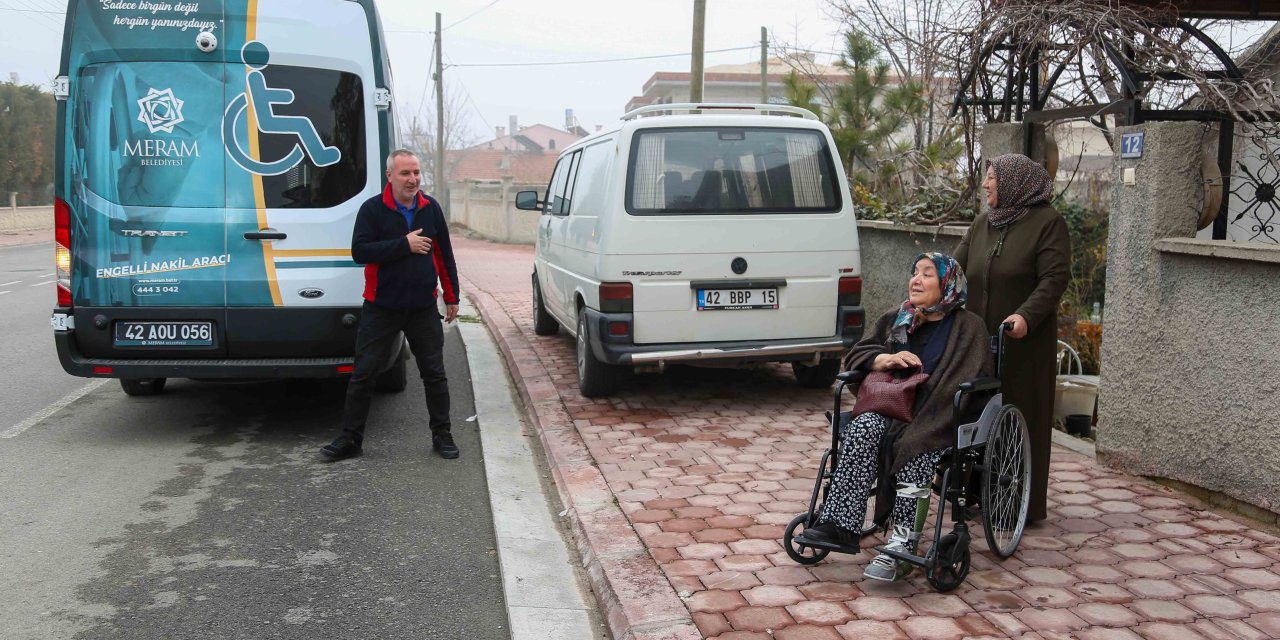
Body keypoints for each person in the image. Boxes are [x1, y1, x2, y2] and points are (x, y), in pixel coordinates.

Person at [804, 253, 993, 582]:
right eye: (914, 271)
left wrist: (926, 404)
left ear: (948, 284)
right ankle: (840, 525)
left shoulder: (969, 327)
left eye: (928, 274)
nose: (916, 280)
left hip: (938, 415)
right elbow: (858, 353)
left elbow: (972, 379)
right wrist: (883, 360)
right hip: (891, 409)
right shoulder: (899, 318)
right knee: (862, 428)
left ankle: (903, 543)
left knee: (916, 447)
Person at [321, 150, 461, 461]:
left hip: (423, 307)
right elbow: (360, 252)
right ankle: (350, 439)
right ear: (390, 176)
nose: (412, 179)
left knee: (435, 374)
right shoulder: (372, 210)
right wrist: (404, 245)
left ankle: (442, 434)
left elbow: (444, 255)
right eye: (405, 173)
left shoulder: (430, 209)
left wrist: (452, 296)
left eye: (416, 172)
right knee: (363, 374)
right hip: (381, 307)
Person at [954, 153, 1070, 523]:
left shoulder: (1047, 223)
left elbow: (1053, 279)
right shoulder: (982, 223)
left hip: (1022, 344)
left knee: (1019, 414)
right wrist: (927, 284)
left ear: (1015, 182)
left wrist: (1026, 315)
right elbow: (953, 269)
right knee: (974, 411)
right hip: (977, 341)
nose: (986, 185)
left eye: (992, 178)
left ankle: (1018, 502)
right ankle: (972, 492)